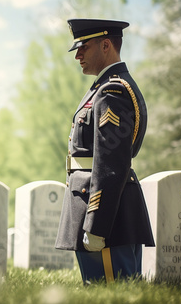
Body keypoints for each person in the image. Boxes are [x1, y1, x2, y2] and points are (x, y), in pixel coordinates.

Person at [55, 18, 155, 283]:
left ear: (106, 45)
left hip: (106, 217)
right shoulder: (104, 88)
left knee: (112, 300)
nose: (77, 55)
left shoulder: (112, 91)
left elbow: (110, 163)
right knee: (104, 298)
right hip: (100, 209)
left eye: (83, 47)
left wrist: (98, 225)